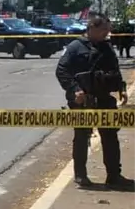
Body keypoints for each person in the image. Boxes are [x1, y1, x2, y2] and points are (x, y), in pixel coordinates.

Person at [55, 14, 133, 189]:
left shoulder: (107, 47)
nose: (107, 33)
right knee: (82, 136)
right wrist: (75, 89)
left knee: (110, 136)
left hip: (104, 98)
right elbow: (61, 71)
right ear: (92, 28)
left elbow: (114, 69)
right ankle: (80, 175)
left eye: (108, 29)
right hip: (83, 100)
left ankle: (114, 176)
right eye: (103, 29)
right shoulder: (75, 47)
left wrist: (121, 88)